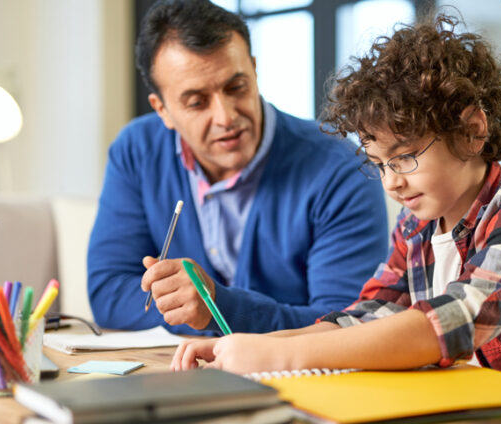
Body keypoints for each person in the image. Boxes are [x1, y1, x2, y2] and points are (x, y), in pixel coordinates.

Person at [171, 14, 501, 422]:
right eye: (379, 164)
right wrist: (247, 346)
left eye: (403, 157)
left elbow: (452, 322)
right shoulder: (414, 226)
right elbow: (364, 316)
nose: (391, 183)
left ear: (471, 131)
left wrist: (280, 358)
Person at [86, 0, 389, 336]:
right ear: (163, 110)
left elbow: (346, 323)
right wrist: (194, 310)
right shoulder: (137, 151)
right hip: (179, 373)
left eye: (236, 87)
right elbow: (109, 294)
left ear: (255, 71)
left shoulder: (340, 167)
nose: (226, 116)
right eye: (197, 102)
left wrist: (217, 310)